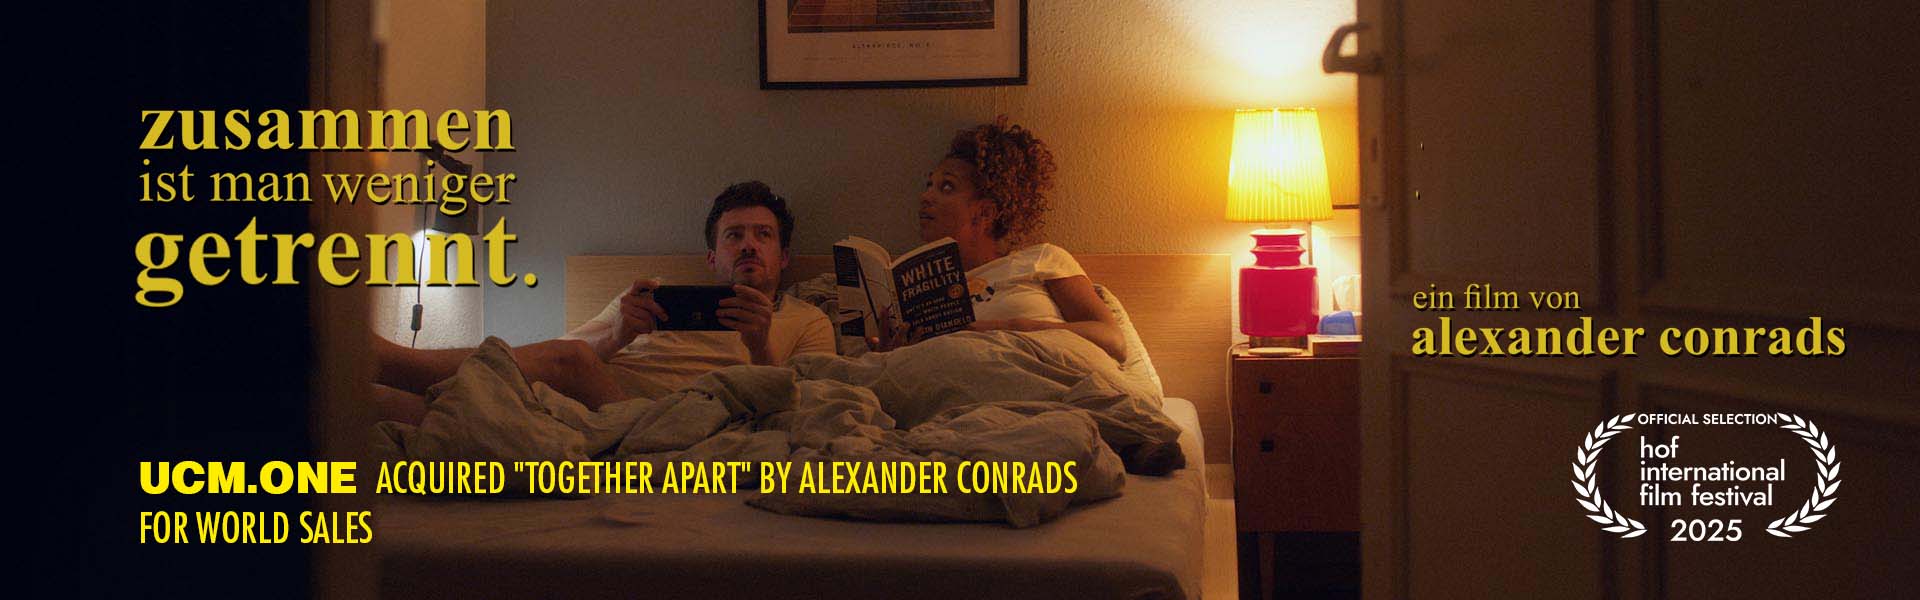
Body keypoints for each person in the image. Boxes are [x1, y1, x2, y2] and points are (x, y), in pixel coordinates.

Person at [374, 181, 835, 423]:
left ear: (784, 256)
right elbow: (549, 356)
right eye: (734, 236)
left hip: (649, 416)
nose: (749, 244)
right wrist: (618, 336)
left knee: (574, 360)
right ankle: (369, 376)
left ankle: (386, 358)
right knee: (385, 407)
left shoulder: (806, 319)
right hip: (572, 399)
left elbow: (803, 409)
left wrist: (758, 345)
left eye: (763, 235)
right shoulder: (650, 297)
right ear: (712, 257)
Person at [878, 116, 1127, 362]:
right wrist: (895, 354)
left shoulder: (1041, 259)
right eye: (929, 185)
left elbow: (1113, 341)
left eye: (946, 187)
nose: (925, 197)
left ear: (985, 212)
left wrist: (1010, 327)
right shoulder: (920, 293)